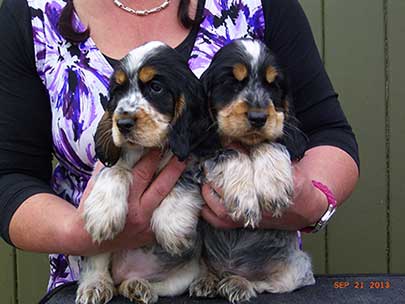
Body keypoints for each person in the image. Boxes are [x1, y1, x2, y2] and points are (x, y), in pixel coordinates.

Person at [0, 0, 359, 298]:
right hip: (93, 282)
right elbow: (8, 176)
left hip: (256, 275)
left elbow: (328, 130)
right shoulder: (29, 14)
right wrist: (77, 233)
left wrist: (312, 201)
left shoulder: (261, 5)